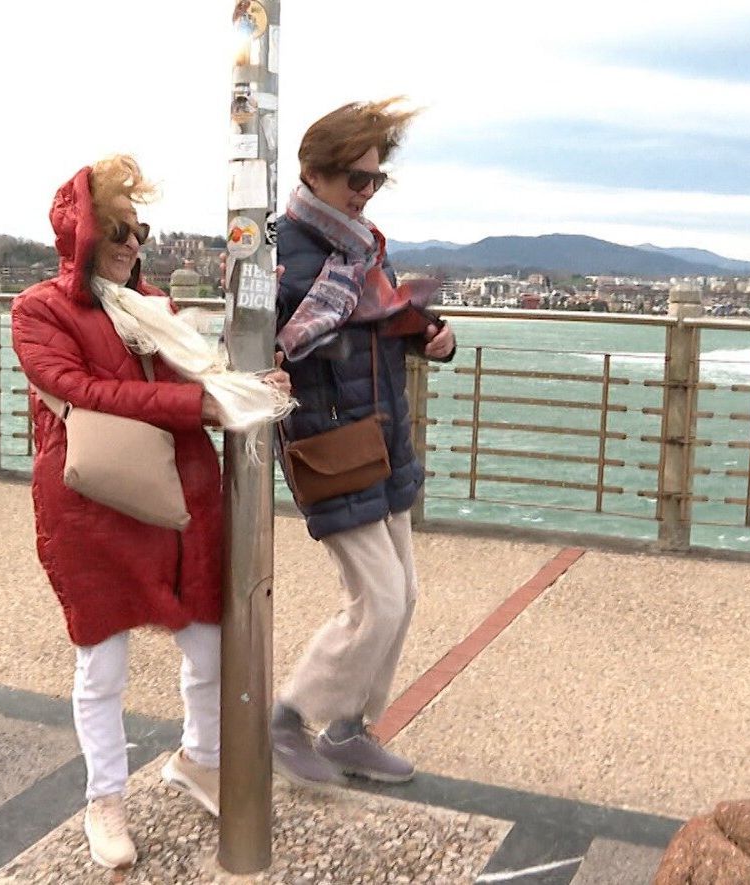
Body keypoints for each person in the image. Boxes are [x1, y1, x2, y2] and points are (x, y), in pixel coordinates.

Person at [11, 155, 289, 869]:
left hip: (178, 503)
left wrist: (249, 385)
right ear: (80, 235)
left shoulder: (154, 306)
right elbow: (81, 389)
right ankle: (104, 798)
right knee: (102, 663)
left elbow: (203, 370)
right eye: (118, 231)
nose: (133, 244)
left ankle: (199, 759)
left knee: (210, 648)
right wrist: (203, 404)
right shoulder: (38, 310)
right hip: (93, 509)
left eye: (140, 232)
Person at [270, 98, 456, 787]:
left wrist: (431, 336)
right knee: (378, 598)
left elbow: (378, 323)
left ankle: (347, 728)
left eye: (375, 178)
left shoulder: (362, 245)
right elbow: (260, 343)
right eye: (355, 178)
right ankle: (288, 718)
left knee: (403, 594)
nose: (366, 191)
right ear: (312, 173)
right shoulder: (275, 251)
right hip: (328, 443)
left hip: (383, 436)